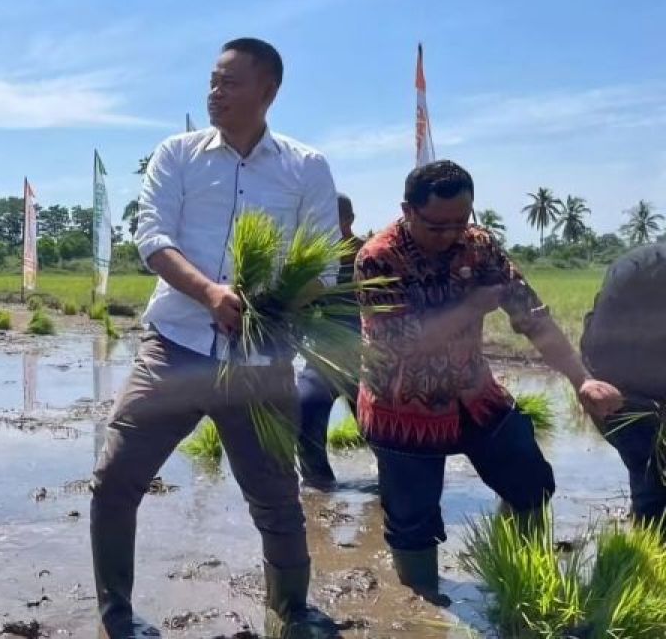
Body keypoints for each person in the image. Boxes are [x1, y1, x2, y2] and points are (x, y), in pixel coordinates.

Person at [91, 38, 341, 638]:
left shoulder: (305, 167)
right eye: (212, 80)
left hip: (260, 358)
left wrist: (272, 305)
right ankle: (117, 617)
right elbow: (152, 237)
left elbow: (324, 268)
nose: (215, 92)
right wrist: (209, 294)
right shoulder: (177, 155)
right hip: (175, 346)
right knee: (116, 480)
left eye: (230, 82)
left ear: (269, 91)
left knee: (276, 494)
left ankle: (292, 611)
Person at [354, 160, 623, 602]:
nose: (450, 236)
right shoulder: (378, 257)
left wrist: (581, 380)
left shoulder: (479, 246)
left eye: (461, 222)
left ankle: (517, 576)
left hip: (474, 393)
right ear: (408, 210)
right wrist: (470, 307)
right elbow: (399, 343)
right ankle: (422, 608)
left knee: (531, 481)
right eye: (437, 226)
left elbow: (532, 317)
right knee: (412, 521)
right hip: (401, 406)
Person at [580, 240, 666, 523]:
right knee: (652, 492)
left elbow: (591, 329)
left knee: (647, 485)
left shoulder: (633, 260)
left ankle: (646, 548)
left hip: (607, 392)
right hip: (631, 397)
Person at [296, 193, 365, 490]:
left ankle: (395, 481)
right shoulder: (311, 262)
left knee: (380, 426)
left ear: (349, 220)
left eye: (330, 221)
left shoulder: (369, 256)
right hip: (323, 359)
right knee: (306, 407)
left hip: (367, 358)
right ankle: (319, 487)